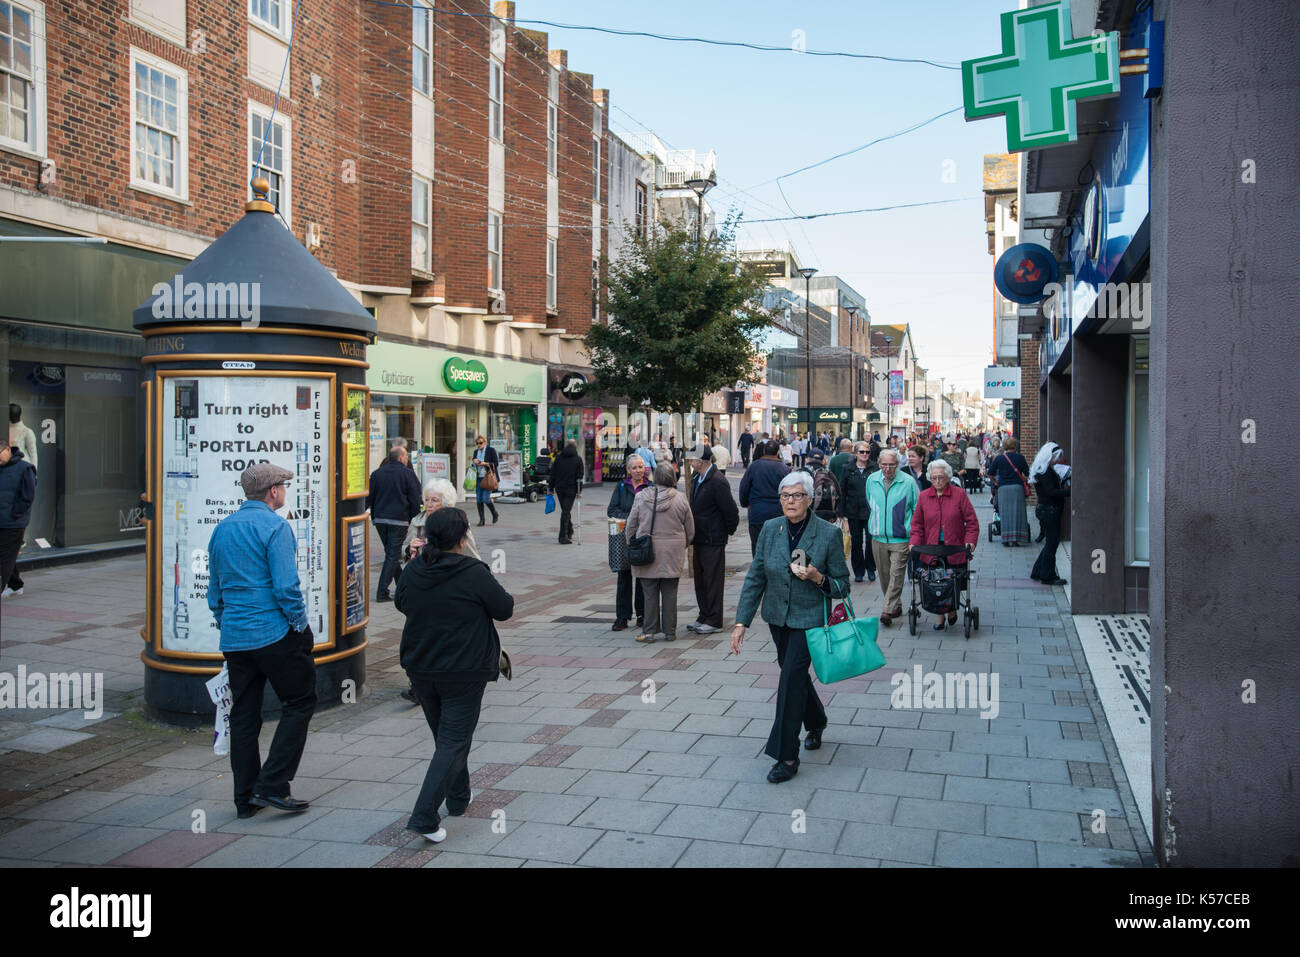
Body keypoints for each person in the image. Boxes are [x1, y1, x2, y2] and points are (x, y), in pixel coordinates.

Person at [396, 507, 514, 843]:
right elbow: (504, 608)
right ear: (462, 538)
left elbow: (402, 604)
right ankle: (424, 816)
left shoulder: (416, 568)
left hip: (421, 666)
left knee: (446, 738)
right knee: (452, 741)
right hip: (463, 668)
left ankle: (458, 798)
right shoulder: (472, 571)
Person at [207, 463, 316, 819]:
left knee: (244, 716)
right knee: (299, 701)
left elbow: (215, 592)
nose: (285, 491)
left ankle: (244, 798)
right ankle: (273, 785)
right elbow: (285, 587)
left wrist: (227, 621)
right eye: (284, 486)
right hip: (273, 634)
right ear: (273, 491)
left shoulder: (222, 529)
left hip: (235, 637)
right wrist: (299, 625)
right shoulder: (275, 527)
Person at [731, 471, 851, 783]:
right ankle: (817, 720)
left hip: (810, 620)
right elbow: (756, 575)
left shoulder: (827, 534)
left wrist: (817, 577)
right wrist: (741, 621)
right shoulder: (771, 529)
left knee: (788, 681)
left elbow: (842, 585)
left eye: (797, 496)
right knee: (793, 674)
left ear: (810, 499)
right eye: (785, 496)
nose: (790, 501)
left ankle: (785, 756)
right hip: (777, 619)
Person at [398, 479, 480, 704]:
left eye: (435, 500)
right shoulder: (418, 522)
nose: (430, 504)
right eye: (427, 499)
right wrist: (410, 549)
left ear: (446, 502)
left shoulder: (456, 523)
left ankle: (432, 680)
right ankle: (417, 683)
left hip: (447, 587)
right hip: (421, 586)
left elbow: (471, 554)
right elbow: (403, 552)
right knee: (418, 633)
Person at [625, 463, 695, 643]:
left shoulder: (641, 497)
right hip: (672, 552)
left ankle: (648, 631)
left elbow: (631, 525)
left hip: (647, 551)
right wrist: (682, 545)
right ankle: (670, 631)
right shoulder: (680, 498)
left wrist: (631, 543)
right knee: (670, 592)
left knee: (649, 592)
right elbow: (690, 529)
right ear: (672, 477)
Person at [909, 460, 980, 630]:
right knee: (935, 581)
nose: (938, 481)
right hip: (931, 547)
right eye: (934, 477)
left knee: (953, 580)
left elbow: (971, 522)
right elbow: (917, 525)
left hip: (954, 547)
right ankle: (940, 616)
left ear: (948, 477)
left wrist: (970, 541)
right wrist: (914, 544)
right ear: (930, 478)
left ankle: (952, 609)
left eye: (941, 477)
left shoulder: (959, 494)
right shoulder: (924, 496)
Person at [685, 444, 739, 635]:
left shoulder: (717, 480)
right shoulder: (696, 477)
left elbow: (730, 510)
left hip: (713, 537)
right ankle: (704, 615)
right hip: (699, 537)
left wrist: (727, 531)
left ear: (701, 461)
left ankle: (714, 620)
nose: (690, 463)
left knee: (712, 579)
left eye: (692, 459)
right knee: (700, 579)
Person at [866, 448, 919, 626]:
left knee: (896, 575)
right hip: (878, 537)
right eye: (884, 465)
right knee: (885, 577)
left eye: (891, 465)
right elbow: (870, 503)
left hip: (901, 538)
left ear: (897, 464)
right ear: (879, 464)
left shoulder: (908, 482)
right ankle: (896, 605)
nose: (887, 469)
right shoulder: (871, 480)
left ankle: (887, 610)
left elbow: (916, 509)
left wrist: (914, 533)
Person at [367, 447, 422, 602]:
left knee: (392, 553)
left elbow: (369, 496)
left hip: (380, 520)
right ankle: (382, 592)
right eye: (406, 456)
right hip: (399, 520)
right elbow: (414, 498)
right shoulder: (407, 474)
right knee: (392, 554)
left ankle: (402, 585)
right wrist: (413, 517)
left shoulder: (377, 474)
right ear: (402, 458)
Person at [607, 454, 649, 631]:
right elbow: (612, 510)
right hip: (624, 538)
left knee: (642, 577)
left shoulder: (650, 487)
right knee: (624, 577)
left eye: (641, 467)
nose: (638, 470)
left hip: (642, 538)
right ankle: (622, 617)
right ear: (628, 470)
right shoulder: (622, 487)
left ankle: (642, 615)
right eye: (635, 467)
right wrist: (631, 518)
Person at [0, 442, 36, 609]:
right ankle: (15, 585)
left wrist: (16, 514)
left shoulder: (25, 468)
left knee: (5, 557)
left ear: (7, 449)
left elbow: (27, 496)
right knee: (7, 555)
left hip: (13, 522)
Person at [739, 439, 790, 556]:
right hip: (778, 512)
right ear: (778, 452)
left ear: (763, 450)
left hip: (758, 512)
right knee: (776, 547)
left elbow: (744, 488)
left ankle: (759, 572)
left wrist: (745, 503)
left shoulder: (754, 467)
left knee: (758, 547)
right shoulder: (784, 469)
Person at [1030, 442, 1070, 586]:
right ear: (1050, 455)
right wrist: (1069, 492)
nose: (1058, 459)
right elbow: (1051, 492)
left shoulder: (1042, 470)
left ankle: (1038, 571)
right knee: (1052, 543)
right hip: (1049, 510)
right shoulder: (1046, 472)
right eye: (1057, 456)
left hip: (1046, 509)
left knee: (1050, 543)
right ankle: (1048, 575)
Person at [838, 441, 877, 584]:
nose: (865, 454)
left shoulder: (874, 468)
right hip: (853, 510)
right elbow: (843, 490)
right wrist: (840, 511)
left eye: (867, 452)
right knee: (856, 542)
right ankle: (858, 571)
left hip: (870, 510)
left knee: (871, 541)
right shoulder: (848, 469)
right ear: (856, 453)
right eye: (862, 452)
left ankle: (871, 568)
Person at [987, 437, 1032, 546]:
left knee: (1005, 513)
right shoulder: (1020, 458)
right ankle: (1016, 538)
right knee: (1018, 512)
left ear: (1005, 446)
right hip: (1017, 488)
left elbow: (990, 473)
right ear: (1015, 446)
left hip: (1003, 488)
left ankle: (1006, 539)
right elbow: (1027, 473)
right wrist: (1024, 479)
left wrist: (996, 482)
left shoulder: (999, 458)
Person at [550, 439, 584, 544]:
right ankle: (562, 536)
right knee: (565, 511)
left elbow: (553, 474)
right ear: (575, 446)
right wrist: (579, 491)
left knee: (565, 510)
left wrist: (550, 488)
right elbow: (580, 476)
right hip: (571, 489)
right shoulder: (578, 459)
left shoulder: (558, 458)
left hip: (559, 488)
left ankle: (569, 530)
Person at [471, 435, 500, 527]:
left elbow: (496, 463)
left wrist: (485, 464)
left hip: (488, 477)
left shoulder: (491, 450)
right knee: (479, 499)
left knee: (486, 498)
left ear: (485, 442)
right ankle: (482, 520)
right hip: (479, 477)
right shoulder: (476, 452)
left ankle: (494, 513)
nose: (479, 445)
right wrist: (474, 462)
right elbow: (474, 464)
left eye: (480, 443)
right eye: (477, 443)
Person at [8, 404, 37, 469]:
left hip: (22, 469)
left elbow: (33, 454)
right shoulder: (4, 430)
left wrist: (34, 474)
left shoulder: (27, 431)